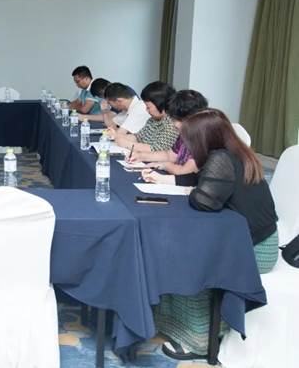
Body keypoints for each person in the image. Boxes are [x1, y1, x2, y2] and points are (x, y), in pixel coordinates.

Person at [152, 108, 278, 360]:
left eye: (190, 139)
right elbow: (203, 185)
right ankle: (184, 325)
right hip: (259, 238)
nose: (188, 144)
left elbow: (204, 201)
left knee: (189, 259)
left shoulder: (220, 159)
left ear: (203, 138)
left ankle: (198, 340)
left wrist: (192, 192)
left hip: (254, 248)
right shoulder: (236, 152)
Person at [132, 90, 208, 183]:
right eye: (173, 119)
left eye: (177, 120)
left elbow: (184, 173)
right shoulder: (186, 133)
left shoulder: (203, 139)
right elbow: (170, 155)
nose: (174, 124)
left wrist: (165, 165)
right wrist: (141, 156)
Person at [114, 81, 178, 152]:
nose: (146, 110)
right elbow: (138, 137)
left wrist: (127, 144)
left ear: (160, 105)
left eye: (148, 107)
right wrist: (119, 137)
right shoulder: (152, 120)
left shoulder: (172, 124)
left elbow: (156, 149)